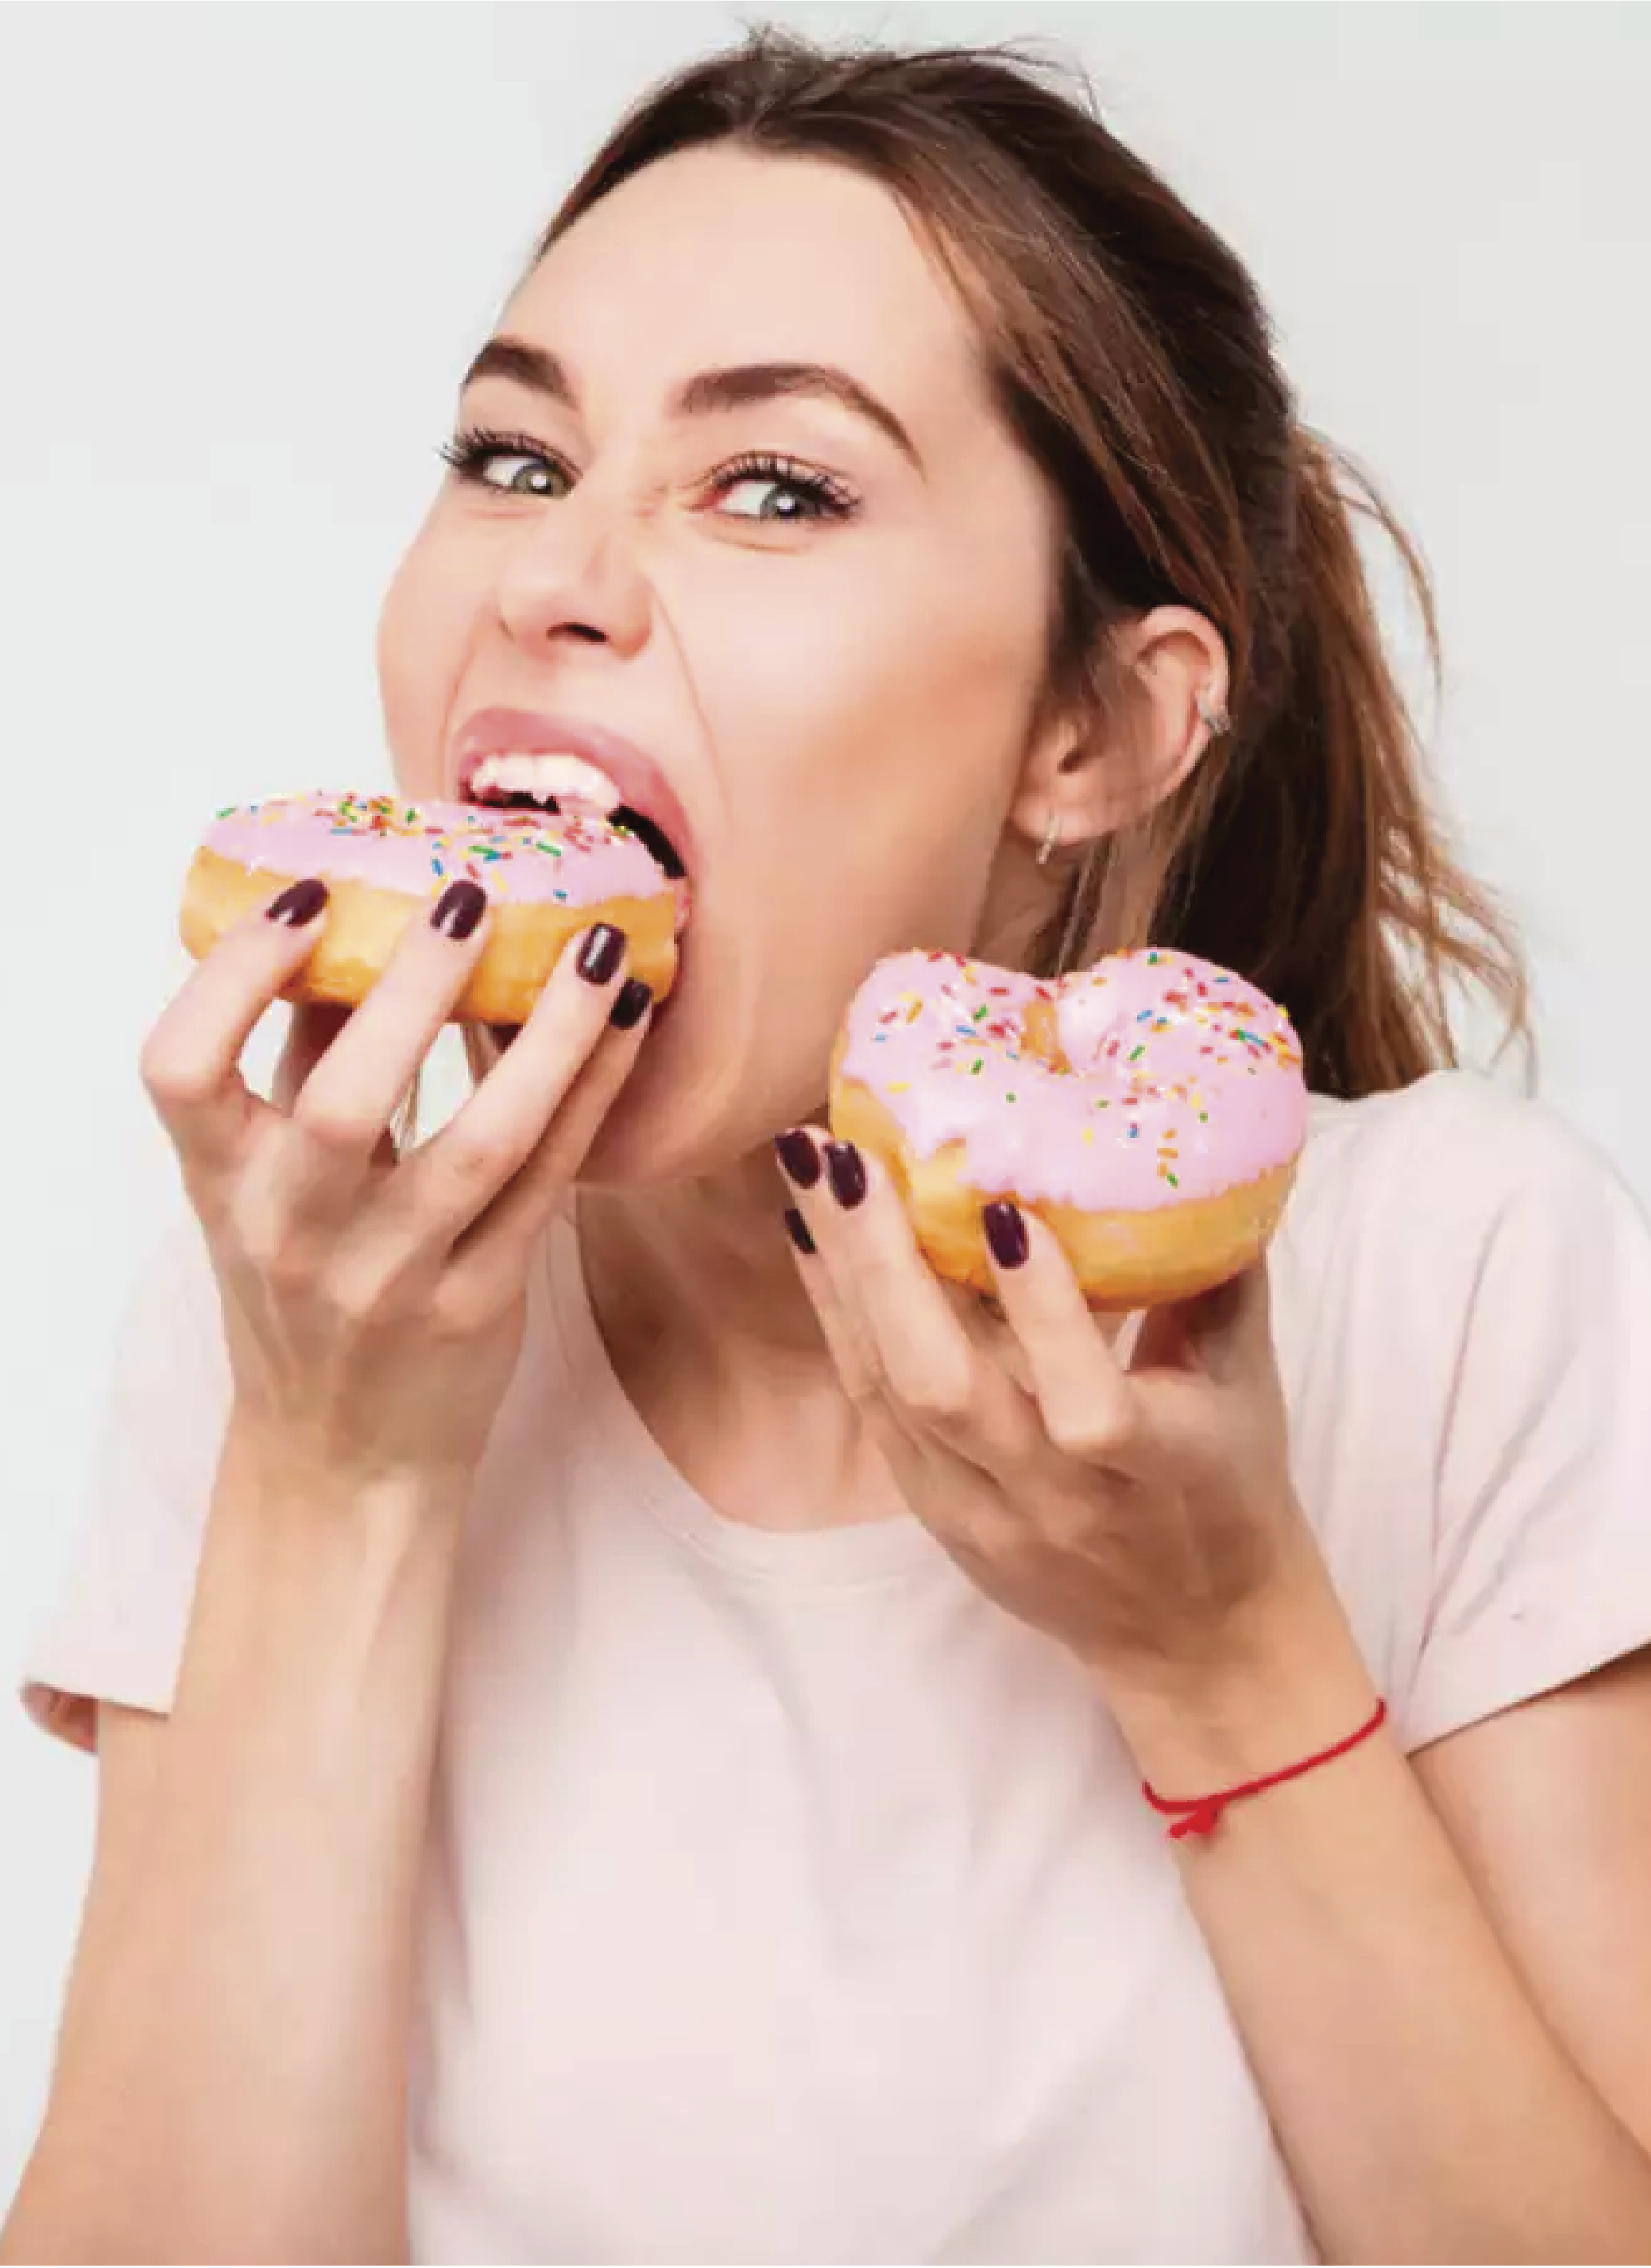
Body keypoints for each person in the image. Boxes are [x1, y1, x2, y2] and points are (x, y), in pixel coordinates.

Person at [7, 30, 1651, 2265]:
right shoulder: (298, 1311)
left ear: (1091, 731)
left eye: (774, 488)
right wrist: (340, 1478)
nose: (552, 583)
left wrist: (1227, 1652)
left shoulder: (1453, 1281)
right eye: (511, 453)